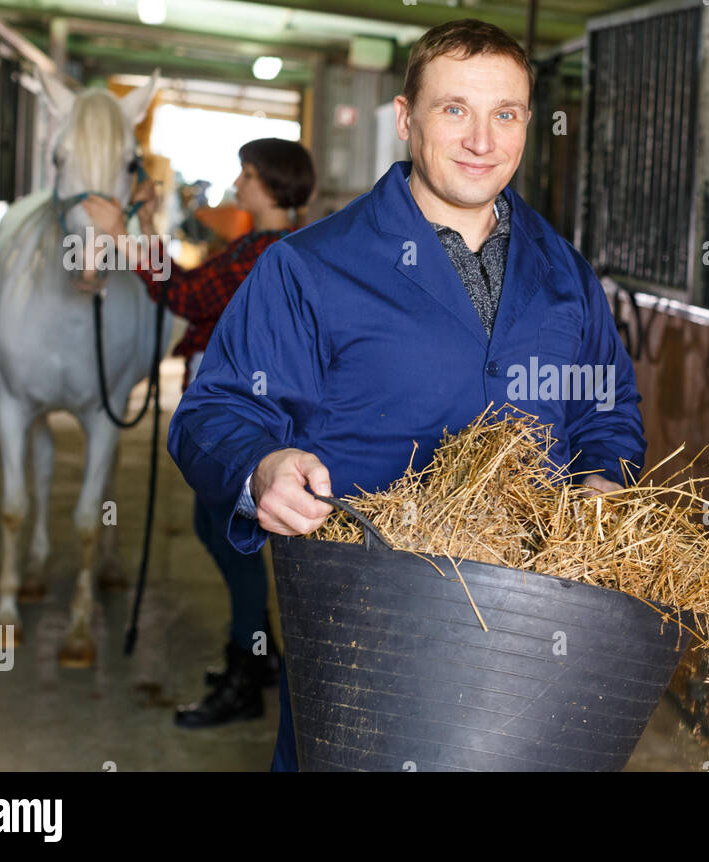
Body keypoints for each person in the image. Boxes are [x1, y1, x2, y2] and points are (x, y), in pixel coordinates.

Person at [167, 18, 646, 771]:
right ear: (405, 119)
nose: (482, 140)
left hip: (529, 639)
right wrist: (260, 467)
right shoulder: (311, 268)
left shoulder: (565, 276)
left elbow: (607, 409)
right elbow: (214, 412)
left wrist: (601, 479)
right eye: (454, 109)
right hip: (364, 634)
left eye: (506, 114)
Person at [83, 138, 316, 728]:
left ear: (268, 185)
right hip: (256, 415)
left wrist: (126, 240)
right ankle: (260, 654)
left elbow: (186, 294)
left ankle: (245, 671)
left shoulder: (267, 251)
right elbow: (196, 281)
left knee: (228, 533)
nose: (237, 187)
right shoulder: (286, 242)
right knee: (210, 529)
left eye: (245, 176)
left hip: (242, 420)